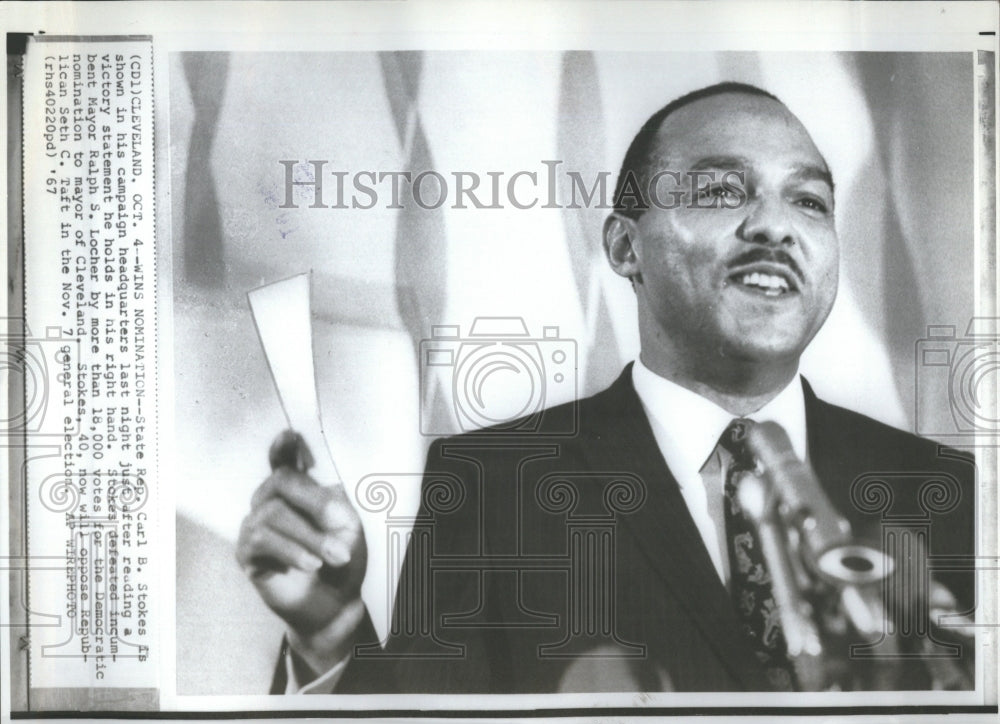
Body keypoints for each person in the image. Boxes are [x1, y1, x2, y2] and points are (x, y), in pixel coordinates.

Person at [237, 82, 976, 693]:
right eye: (722, 190)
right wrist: (331, 630)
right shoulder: (491, 485)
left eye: (809, 201)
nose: (775, 227)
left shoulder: (952, 492)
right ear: (626, 247)